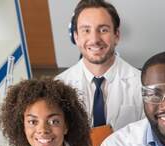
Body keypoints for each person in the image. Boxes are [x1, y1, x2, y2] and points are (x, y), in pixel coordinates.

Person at [56, 0, 143, 131]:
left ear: (116, 35)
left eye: (103, 30)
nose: (95, 39)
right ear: (76, 37)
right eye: (86, 30)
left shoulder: (142, 84)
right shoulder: (59, 86)